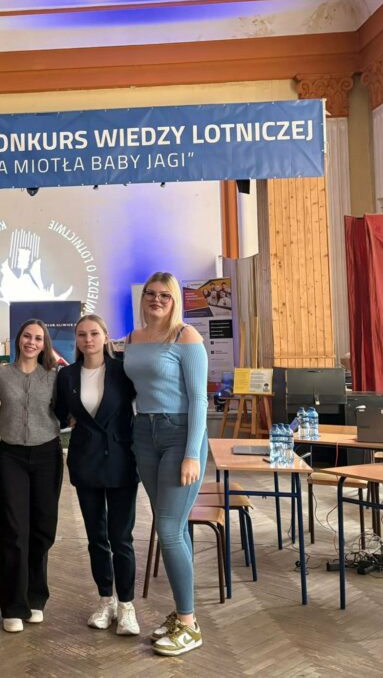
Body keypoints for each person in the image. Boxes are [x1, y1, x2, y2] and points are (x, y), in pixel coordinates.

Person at [125, 272, 208, 656]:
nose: (156, 300)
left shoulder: (186, 337)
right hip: (144, 433)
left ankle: (189, 625)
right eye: (151, 294)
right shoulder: (134, 338)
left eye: (165, 295)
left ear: (175, 300)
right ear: (143, 298)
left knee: (170, 530)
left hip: (179, 434)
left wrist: (192, 453)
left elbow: (199, 399)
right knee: (173, 527)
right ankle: (182, 614)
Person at [54, 314, 139, 636]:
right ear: (76, 340)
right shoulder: (67, 375)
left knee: (122, 538)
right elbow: (60, 413)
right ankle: (106, 600)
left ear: (105, 337)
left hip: (121, 461)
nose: (88, 339)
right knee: (96, 538)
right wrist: (70, 420)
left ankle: (127, 606)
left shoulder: (123, 371)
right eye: (82, 334)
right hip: (86, 462)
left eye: (93, 333)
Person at [0, 319, 63, 633]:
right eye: (27, 336)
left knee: (42, 529)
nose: (31, 342)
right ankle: (12, 606)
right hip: (11, 457)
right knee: (13, 530)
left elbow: (66, 409)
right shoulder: (0, 375)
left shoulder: (54, 377)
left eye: (38, 338)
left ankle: (35, 598)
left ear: (45, 344)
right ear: (18, 339)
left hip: (47, 455)